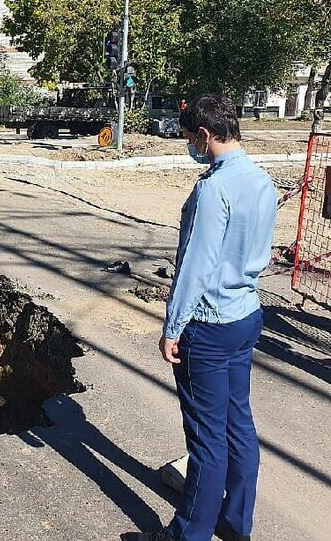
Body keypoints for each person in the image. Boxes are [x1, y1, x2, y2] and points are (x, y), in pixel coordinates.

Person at [126, 95, 277, 541]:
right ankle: (235, 525)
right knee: (238, 426)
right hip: (245, 316)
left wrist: (173, 327)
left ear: (206, 136)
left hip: (209, 326)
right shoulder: (260, 180)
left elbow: (195, 265)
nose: (190, 146)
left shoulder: (213, 190)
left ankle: (188, 534)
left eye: (191, 139)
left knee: (207, 439)